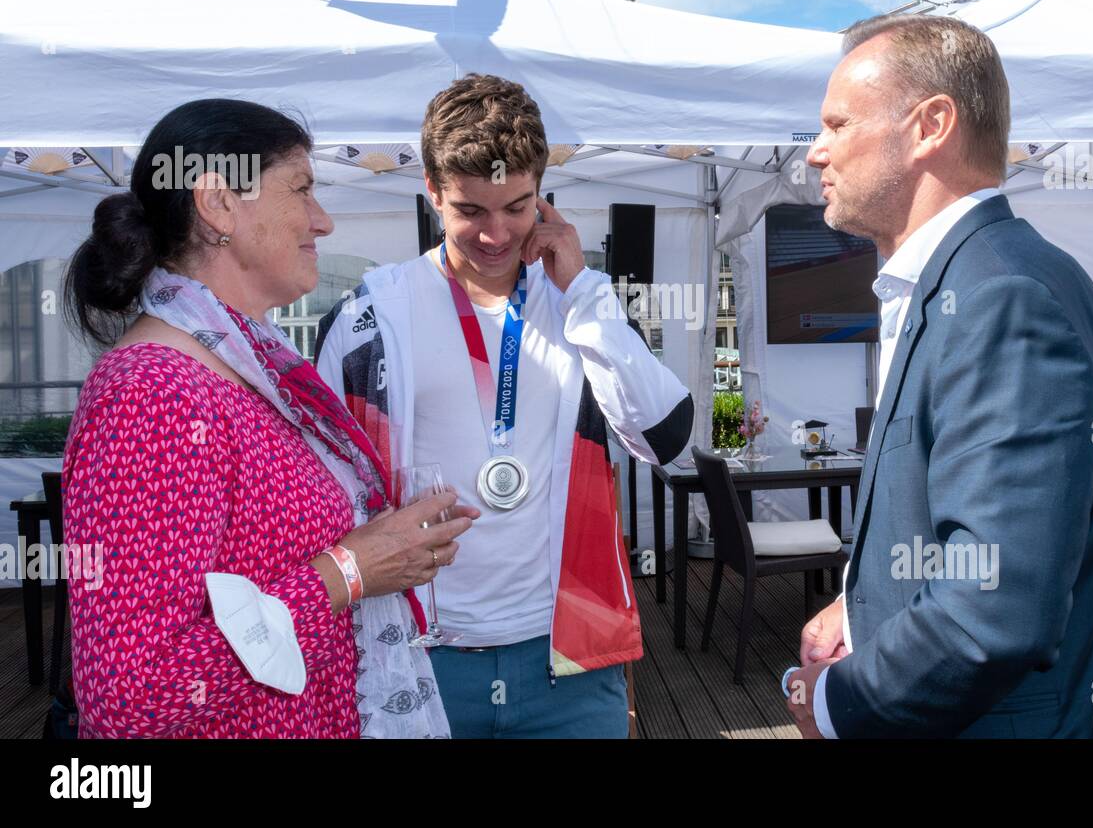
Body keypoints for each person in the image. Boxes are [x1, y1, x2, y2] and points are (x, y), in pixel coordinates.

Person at [786, 14, 1093, 738]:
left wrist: (834, 703)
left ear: (929, 125)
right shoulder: (975, 277)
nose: (816, 152)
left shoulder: (1002, 295)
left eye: (837, 123)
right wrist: (858, 602)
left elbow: (994, 605)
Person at [61, 98, 476, 738]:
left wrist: (381, 543)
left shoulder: (249, 366)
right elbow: (131, 699)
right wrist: (348, 572)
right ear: (218, 203)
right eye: (302, 190)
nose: (324, 220)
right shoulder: (153, 391)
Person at [315, 73, 693, 738]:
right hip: (420, 658)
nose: (495, 235)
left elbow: (665, 435)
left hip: (567, 661)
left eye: (516, 208)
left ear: (543, 197)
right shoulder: (374, 312)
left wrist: (584, 294)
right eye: (470, 210)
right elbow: (322, 490)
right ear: (432, 192)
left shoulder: (577, 300)